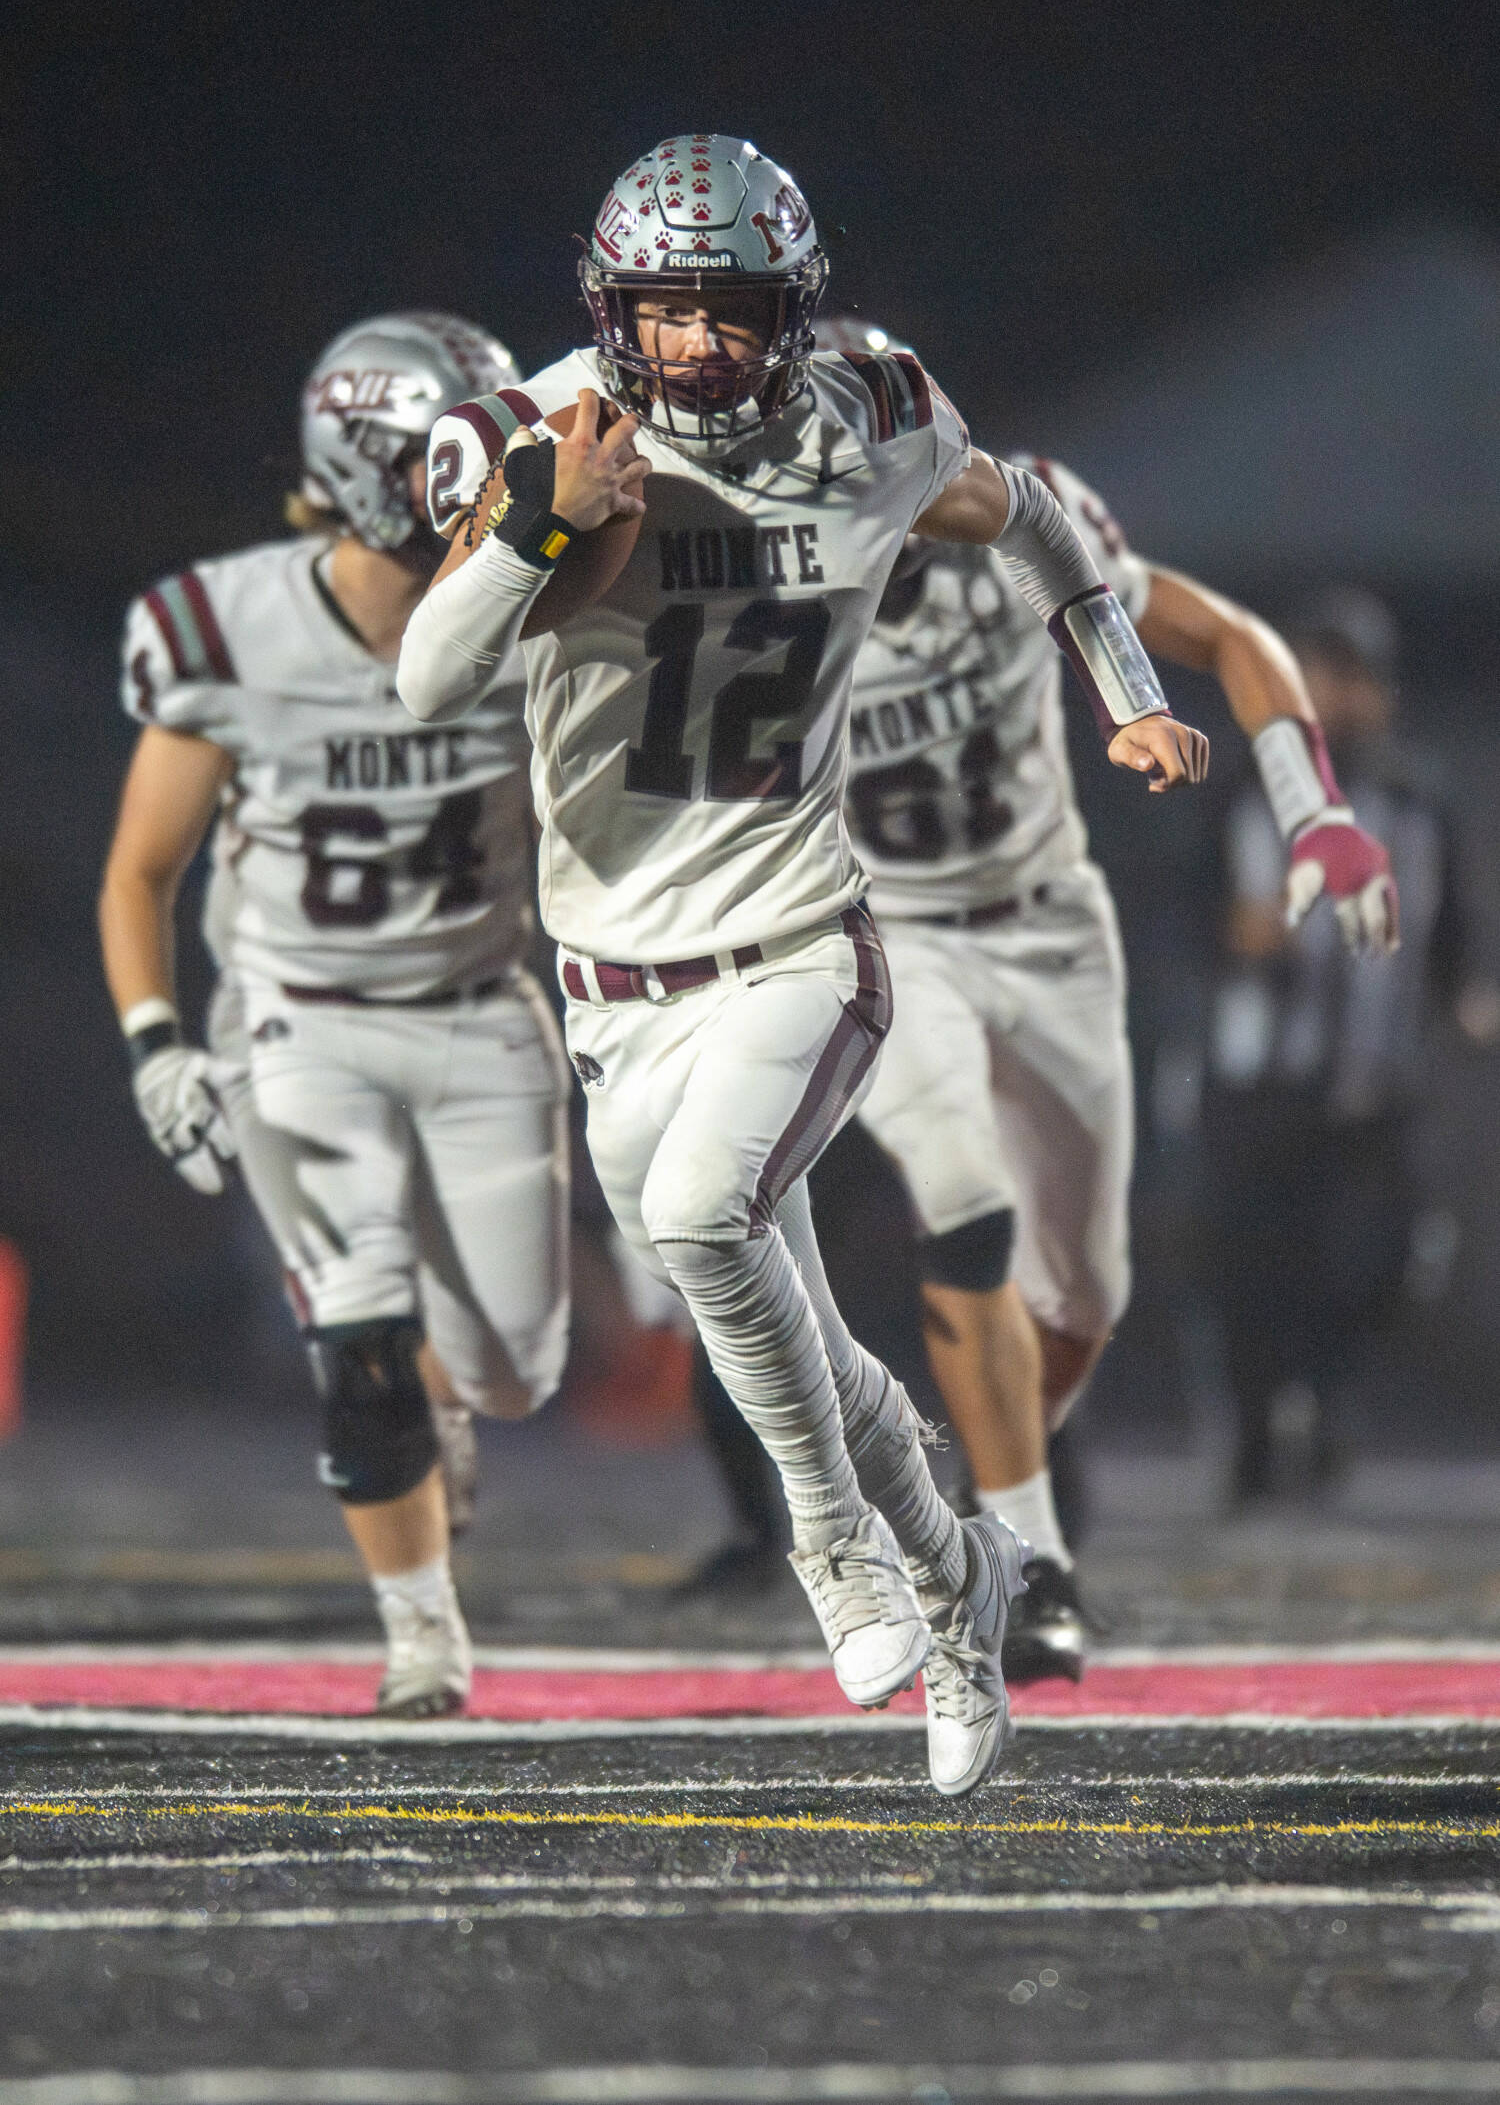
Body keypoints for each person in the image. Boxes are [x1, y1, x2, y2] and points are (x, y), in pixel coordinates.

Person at [396, 135, 1209, 1793]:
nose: (695, 345)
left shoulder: (872, 420)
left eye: (732, 311)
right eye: (664, 312)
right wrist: (537, 534)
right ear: (610, 310)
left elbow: (1043, 519)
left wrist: (1123, 685)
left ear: (796, 312)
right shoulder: (544, 439)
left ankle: (834, 1543)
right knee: (798, 1328)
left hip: (798, 943)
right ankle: (964, 1580)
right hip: (612, 988)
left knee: (707, 1219)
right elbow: (427, 680)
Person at [686, 315, 1400, 1681]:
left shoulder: (1015, 520)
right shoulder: (738, 582)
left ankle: (963, 1497)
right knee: (965, 1203)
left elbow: (1233, 638)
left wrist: (1317, 814)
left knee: (1087, 1297)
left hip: (1054, 932)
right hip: (890, 936)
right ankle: (1034, 1560)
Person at [99, 312, 570, 1717]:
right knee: (353, 1320)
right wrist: (155, 1040)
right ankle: (422, 1632)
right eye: (468, 451)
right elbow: (143, 867)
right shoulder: (225, 625)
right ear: (380, 466)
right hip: (296, 1024)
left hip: (484, 1013)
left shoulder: (537, 605)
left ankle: (444, 1395)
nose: (500, 475)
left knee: (517, 1368)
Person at [1206, 587, 1491, 1499]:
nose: (1330, 696)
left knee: (1378, 1261)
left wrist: (1467, 997)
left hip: (1373, 1081)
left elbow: (1451, 933)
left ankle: (1322, 1402)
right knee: (1252, 1265)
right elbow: (1176, 909)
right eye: (1314, 675)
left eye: (1348, 677)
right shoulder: (1241, 789)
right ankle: (1258, 1434)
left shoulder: (1415, 802)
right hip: (1258, 1079)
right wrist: (1231, 932)